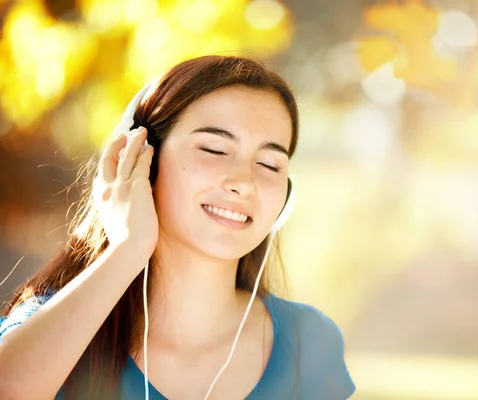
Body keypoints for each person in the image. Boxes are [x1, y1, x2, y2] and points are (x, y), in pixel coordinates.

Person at [0, 56, 355, 399]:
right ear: (140, 162)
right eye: (215, 149)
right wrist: (129, 247)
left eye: (269, 163)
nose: (243, 183)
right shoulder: (51, 327)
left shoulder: (310, 344)